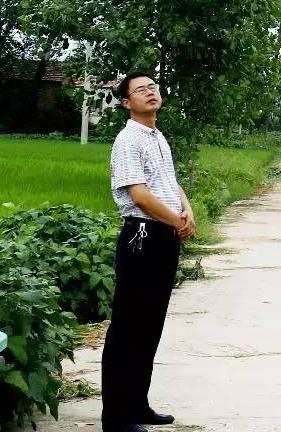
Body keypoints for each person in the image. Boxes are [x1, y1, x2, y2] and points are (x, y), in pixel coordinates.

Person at [100, 72, 195, 432]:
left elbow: (170, 183)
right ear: (126, 102)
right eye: (141, 90)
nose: (151, 93)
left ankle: (138, 406)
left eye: (153, 87)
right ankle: (117, 417)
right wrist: (176, 221)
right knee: (128, 327)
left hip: (163, 235)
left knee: (150, 325)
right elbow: (138, 194)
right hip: (142, 236)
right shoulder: (128, 139)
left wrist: (187, 211)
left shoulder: (157, 136)